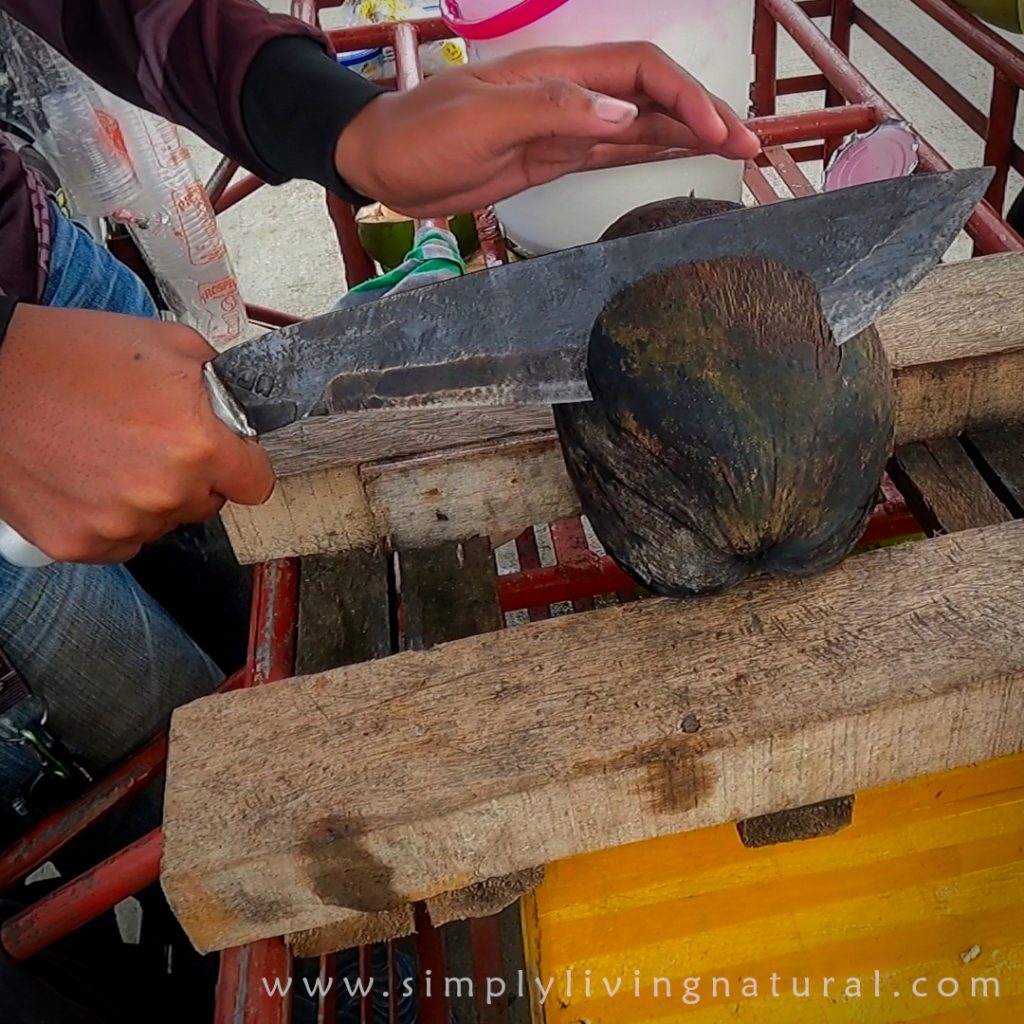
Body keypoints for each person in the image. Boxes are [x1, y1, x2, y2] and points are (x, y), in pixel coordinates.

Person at [0, 1, 760, 1020]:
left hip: (57, 286)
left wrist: (341, 126)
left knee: (274, 626)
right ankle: (355, 983)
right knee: (193, 771)